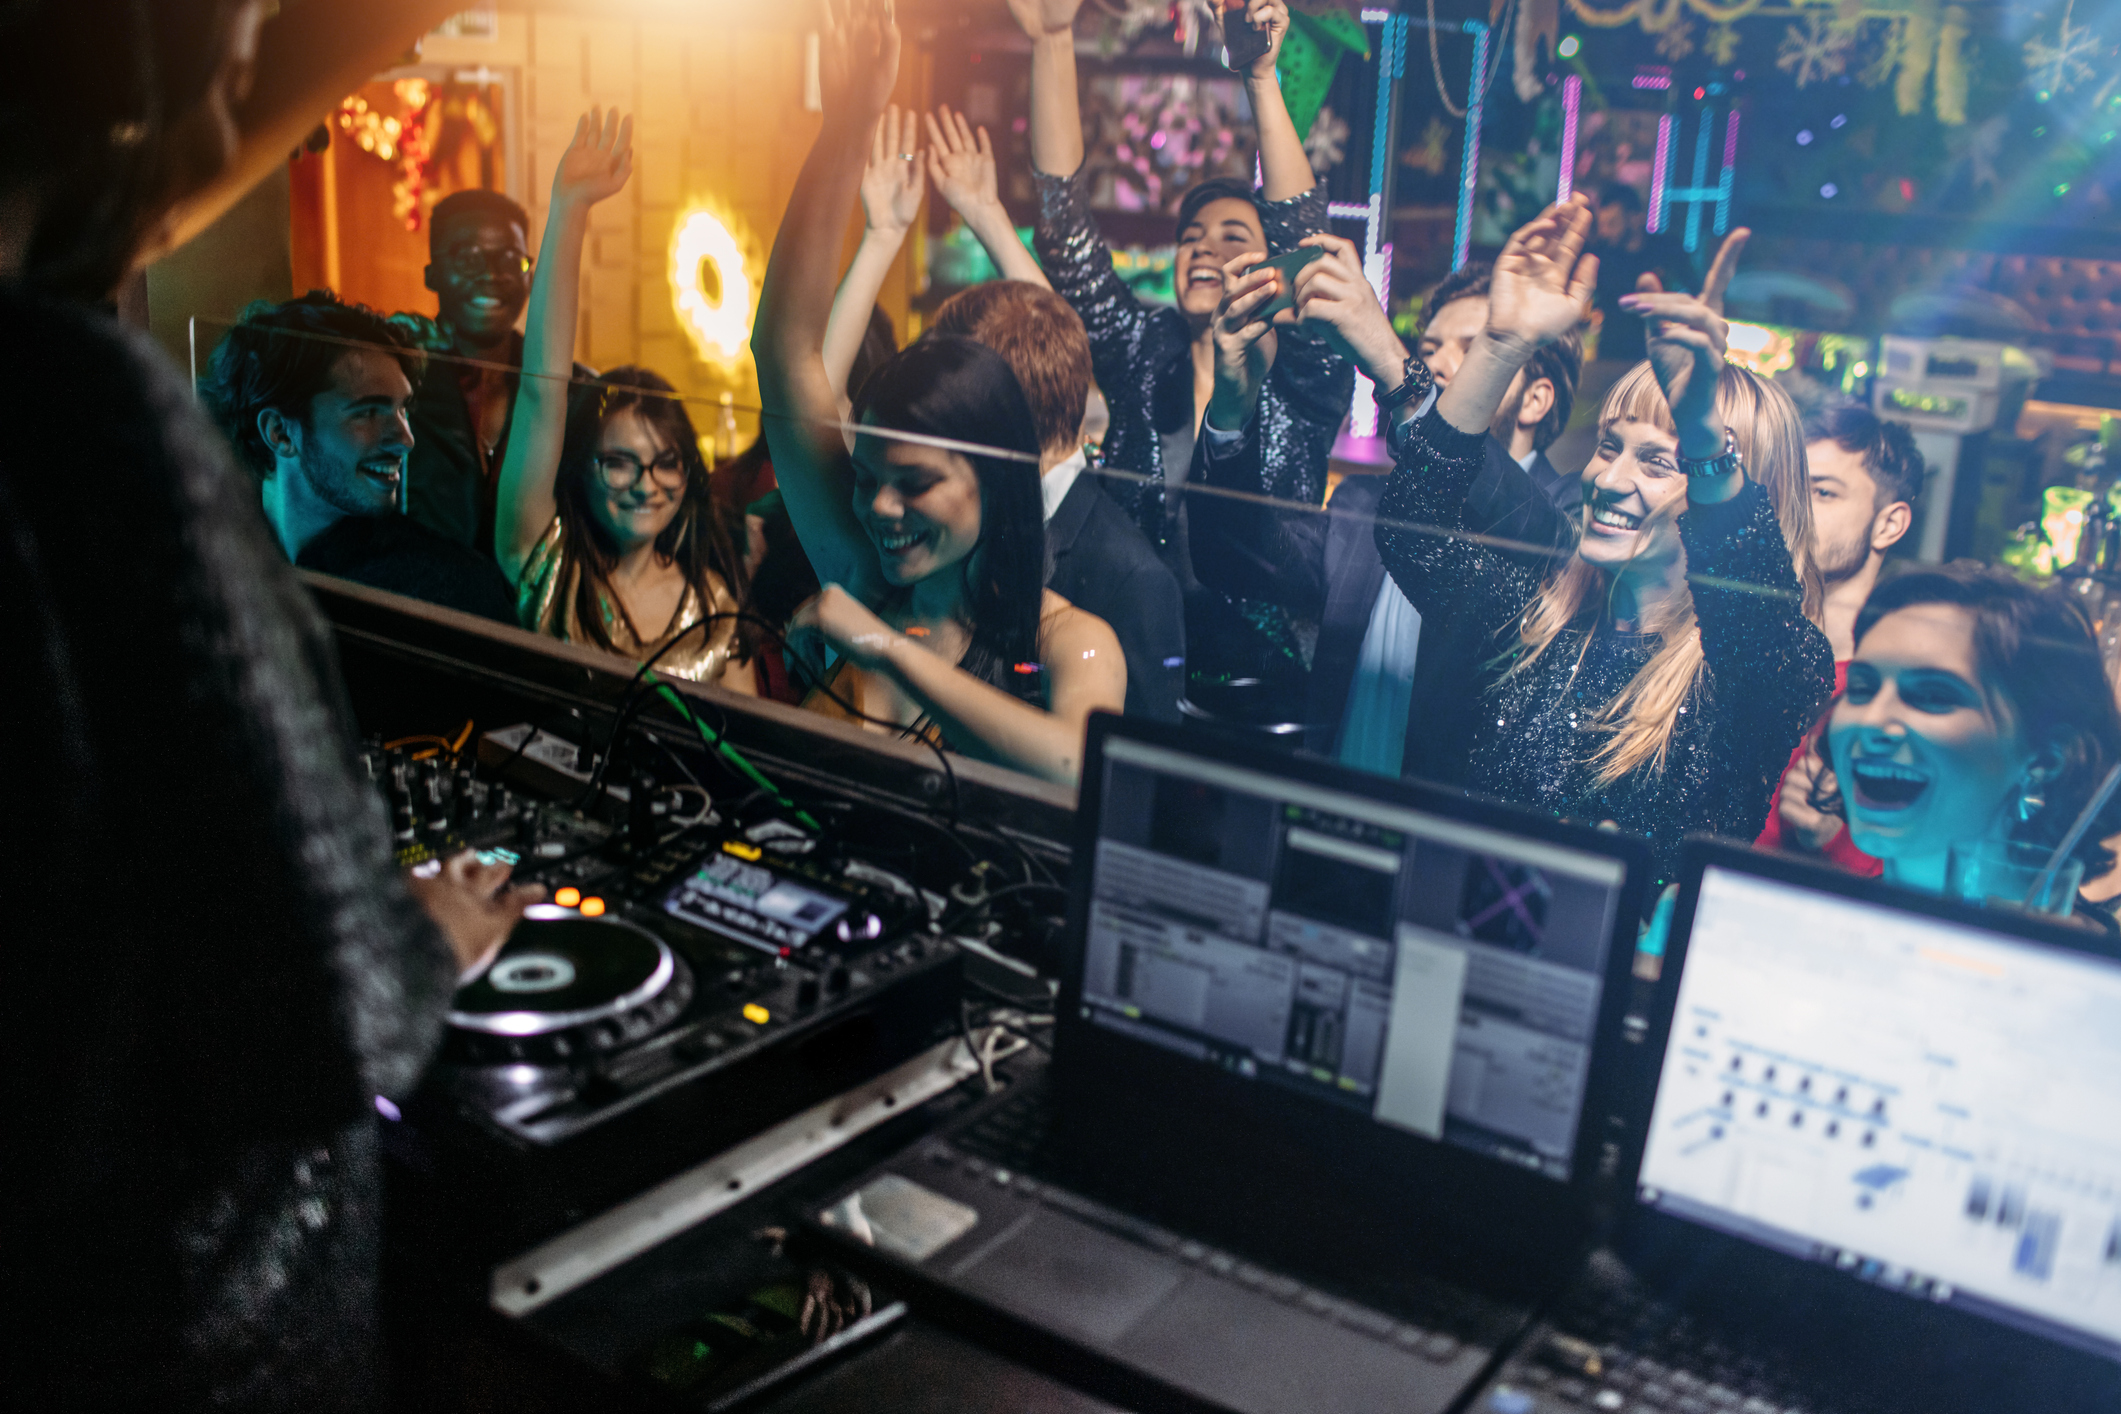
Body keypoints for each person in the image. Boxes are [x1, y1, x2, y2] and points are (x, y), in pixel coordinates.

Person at [2, 2, 539, 1409]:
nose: (249, 58)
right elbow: (324, 1011)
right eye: (235, 25)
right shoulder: (84, 408)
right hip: (167, 1327)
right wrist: (427, 927)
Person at [1335, 196, 1835, 889]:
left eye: (1657, 462)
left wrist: (1700, 433)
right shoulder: (1532, 623)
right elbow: (1412, 522)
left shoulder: (1763, 673)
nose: (1608, 478)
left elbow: (1754, 622)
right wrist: (1501, 345)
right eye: (1607, 447)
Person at [753, 0, 1125, 785]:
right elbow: (783, 351)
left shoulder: (1069, 641)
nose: (878, 510)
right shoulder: (863, 570)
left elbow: (1073, 769)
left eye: (914, 483)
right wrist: (845, 126)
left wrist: (883, 649)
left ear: (993, 478)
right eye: (866, 481)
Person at [1012, 0, 1352, 706]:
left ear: (1273, 266)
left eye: (1233, 235)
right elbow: (1067, 236)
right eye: (1192, 236)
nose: (1204, 246)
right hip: (1130, 665)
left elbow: (1300, 230)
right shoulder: (1142, 352)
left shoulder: (1307, 372)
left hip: (1261, 691)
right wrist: (1052, 39)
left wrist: (1259, 77)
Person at [1191, 257, 1583, 774]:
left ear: (1536, 399)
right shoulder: (1364, 504)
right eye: (1428, 350)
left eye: (1474, 348)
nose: (1440, 363)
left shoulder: (1569, 518)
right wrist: (1232, 406)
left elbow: (1522, 526)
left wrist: (1397, 369)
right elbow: (1230, 557)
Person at [494, 108, 757, 689]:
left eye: (668, 462)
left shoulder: (713, 601)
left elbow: (749, 753)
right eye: (619, 462)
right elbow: (542, 394)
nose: (647, 483)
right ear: (583, 469)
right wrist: (570, 207)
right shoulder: (548, 563)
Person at [928, 281, 1187, 724]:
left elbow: (1132, 775)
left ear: (1001, 416)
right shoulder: (959, 514)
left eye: (949, 400)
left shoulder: (1132, 579)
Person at [199, 291, 520, 623]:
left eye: (402, 410)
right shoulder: (208, 565)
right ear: (279, 432)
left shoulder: (451, 589)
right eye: (367, 412)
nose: (406, 440)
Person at [1816, 563, 2121, 912]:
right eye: (1861, 688)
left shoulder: (2089, 963)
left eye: (1933, 696)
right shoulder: (1811, 929)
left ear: (2044, 759)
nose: (1871, 721)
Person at [1756, 400, 1925, 870]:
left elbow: (1917, 873)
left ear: (1889, 524)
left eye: (1823, 493)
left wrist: (1828, 839)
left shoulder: (1895, 693)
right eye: (1785, 489)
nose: (1791, 508)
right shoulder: (1737, 640)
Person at [394, 187, 593, 556]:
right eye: (468, 257)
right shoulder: (398, 384)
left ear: (531, 276)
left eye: (509, 260)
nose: (490, 275)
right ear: (432, 274)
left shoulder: (579, 392)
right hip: (426, 604)